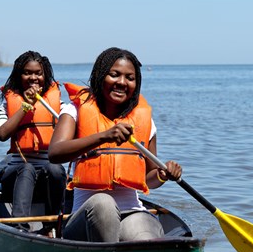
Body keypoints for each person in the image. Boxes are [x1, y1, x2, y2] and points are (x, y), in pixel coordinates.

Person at [48, 47, 182, 242]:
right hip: (86, 219)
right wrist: (103, 137)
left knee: (145, 230)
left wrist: (162, 174)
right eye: (114, 75)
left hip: (131, 213)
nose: (122, 82)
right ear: (100, 76)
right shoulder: (74, 110)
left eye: (130, 78)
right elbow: (55, 152)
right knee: (104, 203)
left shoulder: (146, 122)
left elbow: (149, 180)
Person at [0, 50, 67, 223]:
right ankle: (20, 225)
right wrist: (26, 107)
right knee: (26, 168)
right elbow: (2, 134)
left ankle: (52, 225)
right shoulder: (6, 106)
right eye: (27, 73)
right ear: (19, 76)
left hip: (47, 177)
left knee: (56, 168)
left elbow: (75, 133)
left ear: (45, 76)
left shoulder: (60, 107)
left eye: (38, 73)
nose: (33, 78)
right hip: (16, 175)